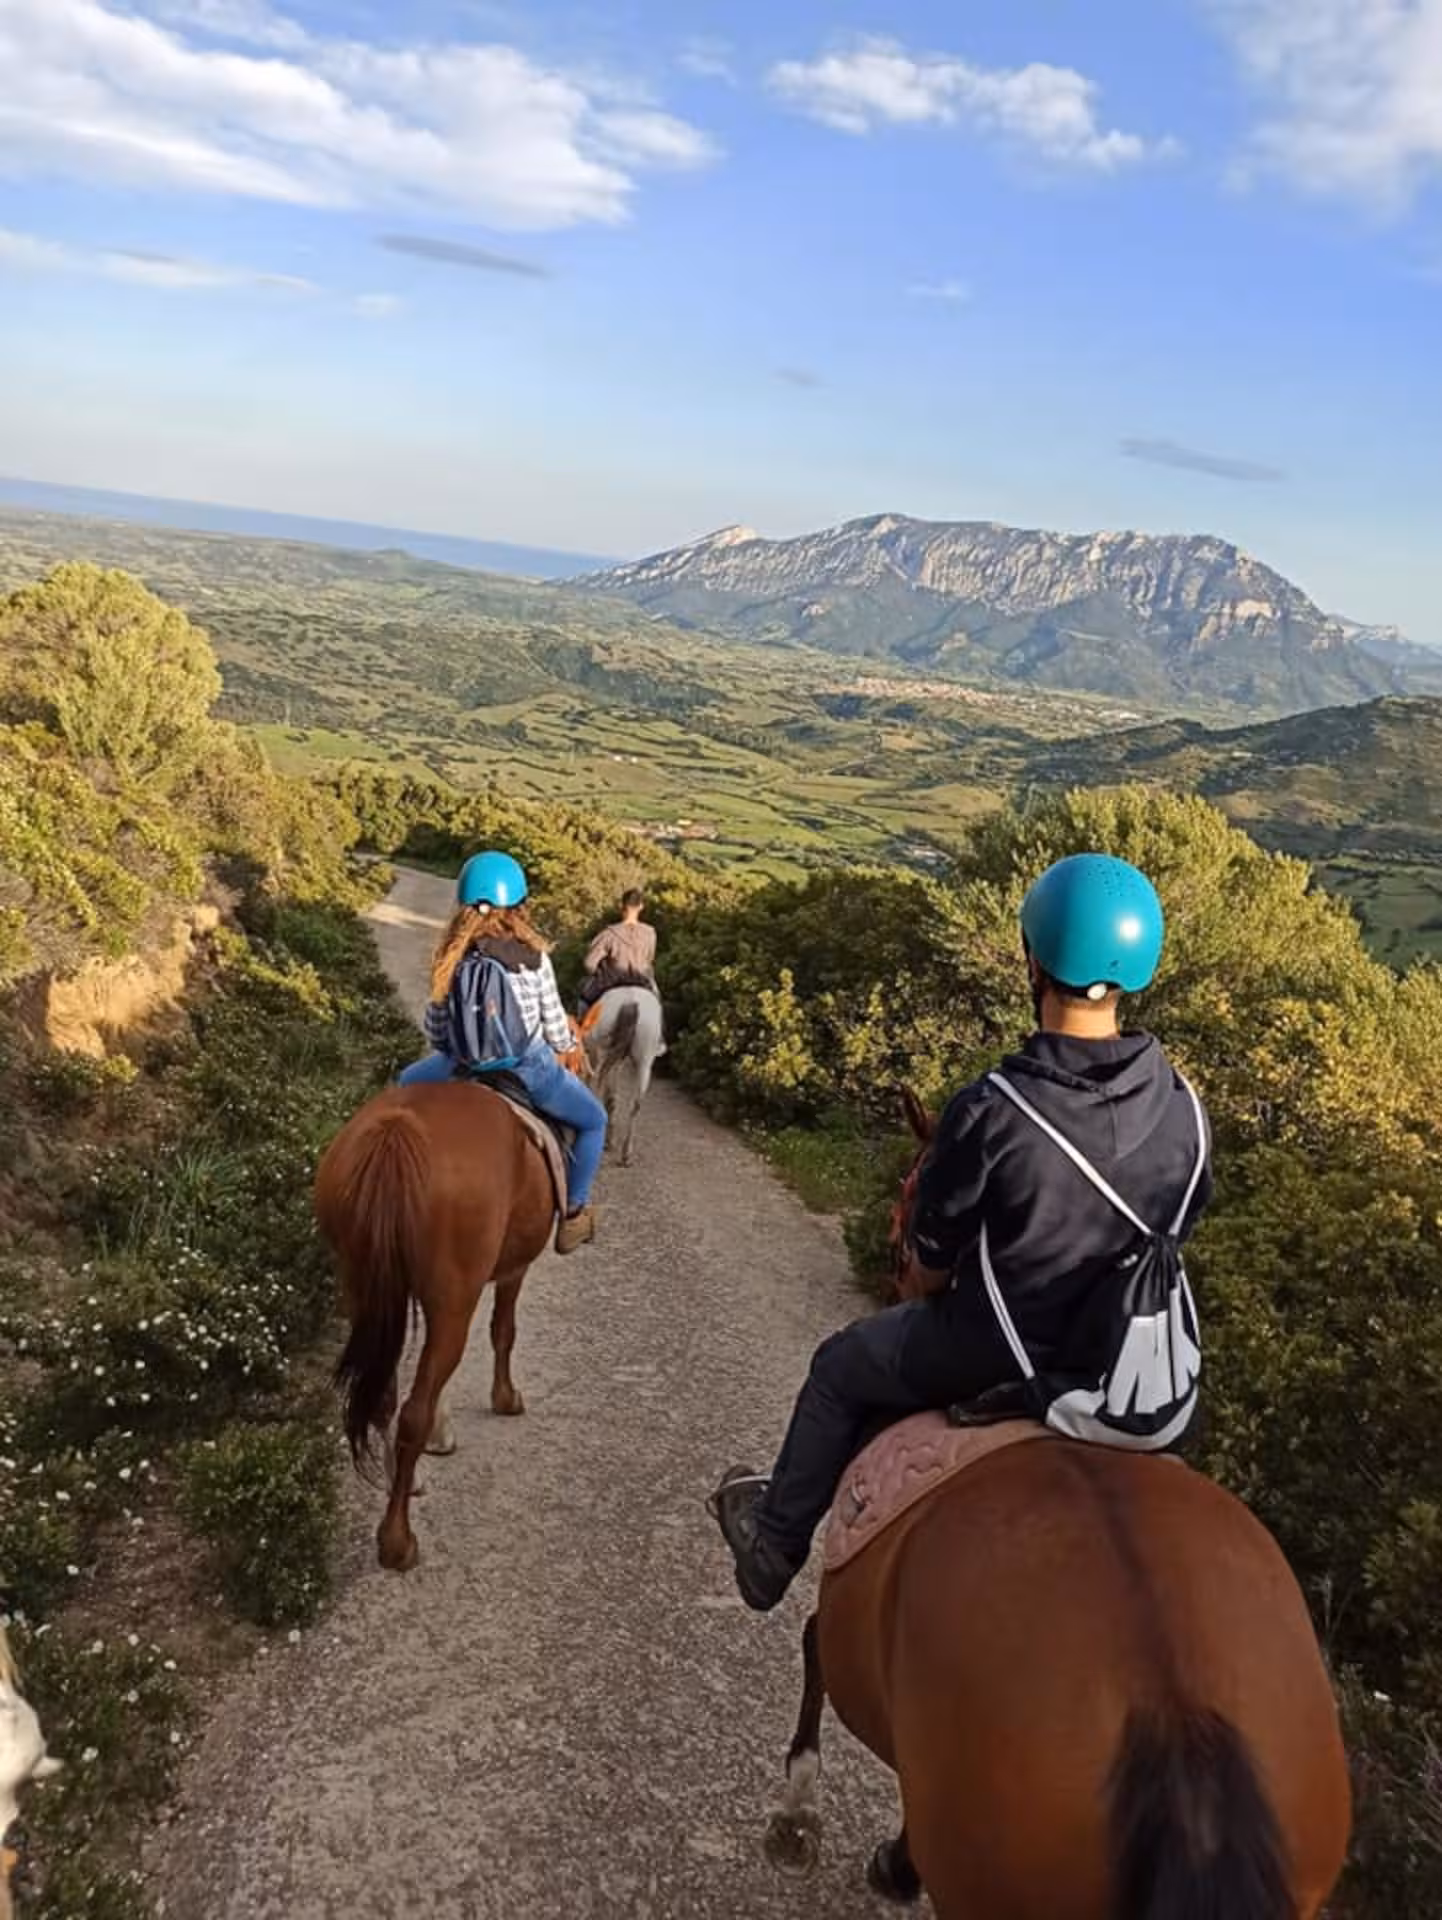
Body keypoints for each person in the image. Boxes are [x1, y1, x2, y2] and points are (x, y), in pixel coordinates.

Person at [710, 853, 1213, 1611]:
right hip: (1127, 1368)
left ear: (1033, 960)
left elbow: (933, 1264)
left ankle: (771, 1549)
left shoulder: (995, 1107)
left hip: (1002, 1353)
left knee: (842, 1366)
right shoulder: (1188, 1109)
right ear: (1139, 968)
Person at [399, 850, 606, 1255]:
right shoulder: (535, 958)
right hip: (528, 1069)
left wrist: (460, 1053)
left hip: (461, 1065)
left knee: (403, 1086)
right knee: (594, 1121)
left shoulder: (452, 956)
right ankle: (573, 1214)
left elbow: (437, 1030)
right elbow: (553, 1028)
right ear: (519, 905)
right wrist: (566, 1046)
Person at [577, 889, 659, 1017]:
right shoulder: (650, 933)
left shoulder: (608, 934)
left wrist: (598, 972)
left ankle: (581, 1033)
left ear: (622, 906)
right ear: (641, 907)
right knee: (657, 1005)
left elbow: (589, 963)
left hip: (611, 983)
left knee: (583, 1001)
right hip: (642, 982)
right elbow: (649, 958)